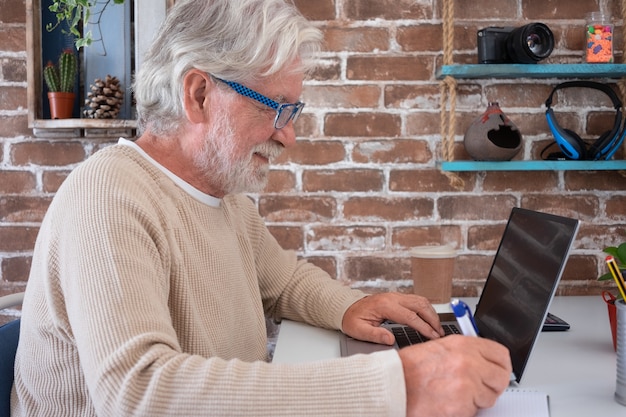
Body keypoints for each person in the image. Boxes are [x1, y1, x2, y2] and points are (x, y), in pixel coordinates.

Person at [12, 0, 512, 416]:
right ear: (200, 94)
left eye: (292, 111)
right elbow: (138, 393)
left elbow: (284, 282)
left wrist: (349, 306)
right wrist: (396, 387)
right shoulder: (106, 197)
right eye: (275, 107)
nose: (288, 135)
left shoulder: (222, 196)